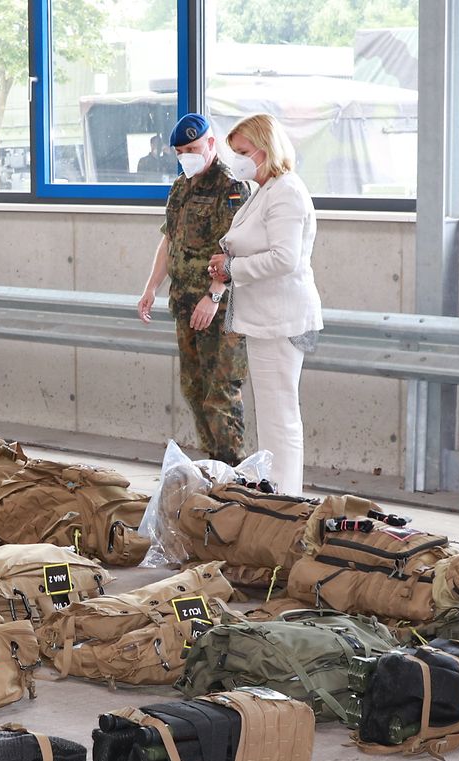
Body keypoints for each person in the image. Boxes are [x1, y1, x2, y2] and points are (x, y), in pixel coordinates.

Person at [206, 113, 321, 497]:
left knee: (280, 417)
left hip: (280, 319)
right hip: (264, 319)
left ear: (264, 148)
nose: (235, 159)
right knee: (272, 416)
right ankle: (279, 494)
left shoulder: (286, 192)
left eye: (241, 152)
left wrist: (233, 268)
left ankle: (287, 502)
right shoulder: (265, 190)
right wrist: (225, 265)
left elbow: (285, 258)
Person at [137, 113, 249, 465]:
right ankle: (212, 464)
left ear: (210, 144)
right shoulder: (181, 187)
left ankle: (232, 470)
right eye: (181, 150)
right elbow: (169, 240)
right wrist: (151, 287)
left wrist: (214, 295)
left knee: (221, 393)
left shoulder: (230, 188)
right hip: (185, 304)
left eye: (193, 148)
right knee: (193, 389)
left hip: (219, 310)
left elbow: (234, 248)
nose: (187, 155)